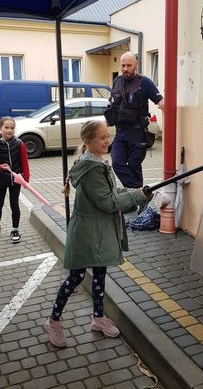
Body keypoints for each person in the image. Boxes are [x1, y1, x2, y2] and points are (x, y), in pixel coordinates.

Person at [44, 120, 150, 348]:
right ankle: (53, 321)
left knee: (100, 272)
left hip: (98, 230)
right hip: (87, 232)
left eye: (107, 136)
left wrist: (136, 192)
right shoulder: (91, 168)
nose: (107, 141)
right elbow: (108, 201)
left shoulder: (97, 162)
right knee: (76, 278)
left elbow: (112, 191)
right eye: (102, 137)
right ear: (87, 141)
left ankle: (98, 318)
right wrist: (137, 197)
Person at [106, 52, 164, 190]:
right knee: (117, 163)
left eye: (129, 65)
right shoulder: (117, 81)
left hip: (137, 132)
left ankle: (136, 198)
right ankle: (140, 194)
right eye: (123, 65)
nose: (125, 69)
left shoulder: (145, 82)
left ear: (136, 65)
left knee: (133, 166)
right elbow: (113, 104)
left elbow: (161, 101)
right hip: (120, 132)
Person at [0, 116, 30, 243]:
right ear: (0, 128)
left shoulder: (19, 143)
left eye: (12, 128)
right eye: (6, 127)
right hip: (1, 180)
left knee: (14, 205)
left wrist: (26, 179)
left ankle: (15, 229)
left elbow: (24, 162)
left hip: (15, 180)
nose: (9, 130)